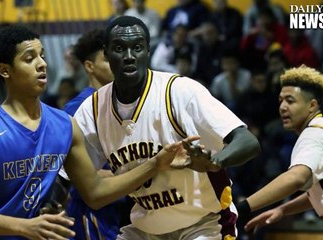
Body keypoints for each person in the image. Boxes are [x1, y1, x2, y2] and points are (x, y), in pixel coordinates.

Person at [0, 24, 198, 240]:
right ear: (5, 70)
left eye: (42, 55)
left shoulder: (65, 125)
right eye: (29, 58)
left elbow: (95, 192)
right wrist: (24, 227)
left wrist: (155, 164)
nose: (42, 64)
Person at [71, 16, 260, 240]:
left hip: (205, 223)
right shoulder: (91, 109)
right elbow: (71, 179)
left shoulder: (180, 90)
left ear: (148, 51)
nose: (130, 56)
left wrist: (214, 162)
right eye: (120, 49)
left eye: (138, 48)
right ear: (107, 53)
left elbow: (247, 141)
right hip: (146, 229)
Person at [238, 65, 323, 233]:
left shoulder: (315, 134)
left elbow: (296, 178)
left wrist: (241, 208)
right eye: (280, 101)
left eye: (290, 100)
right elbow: (321, 192)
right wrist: (283, 209)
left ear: (312, 105)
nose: (282, 107)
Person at [62, 28, 127, 240]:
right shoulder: (77, 108)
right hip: (92, 213)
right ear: (90, 66)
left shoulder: (125, 104)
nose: (117, 63)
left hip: (125, 207)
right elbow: (72, 173)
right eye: (108, 59)